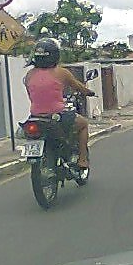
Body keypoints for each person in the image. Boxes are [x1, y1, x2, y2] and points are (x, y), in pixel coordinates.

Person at [23, 38, 95, 169]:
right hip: (57, 115)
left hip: (35, 116)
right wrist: (89, 92)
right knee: (83, 124)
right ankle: (83, 160)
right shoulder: (61, 72)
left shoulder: (29, 74)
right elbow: (78, 87)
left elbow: (31, 95)